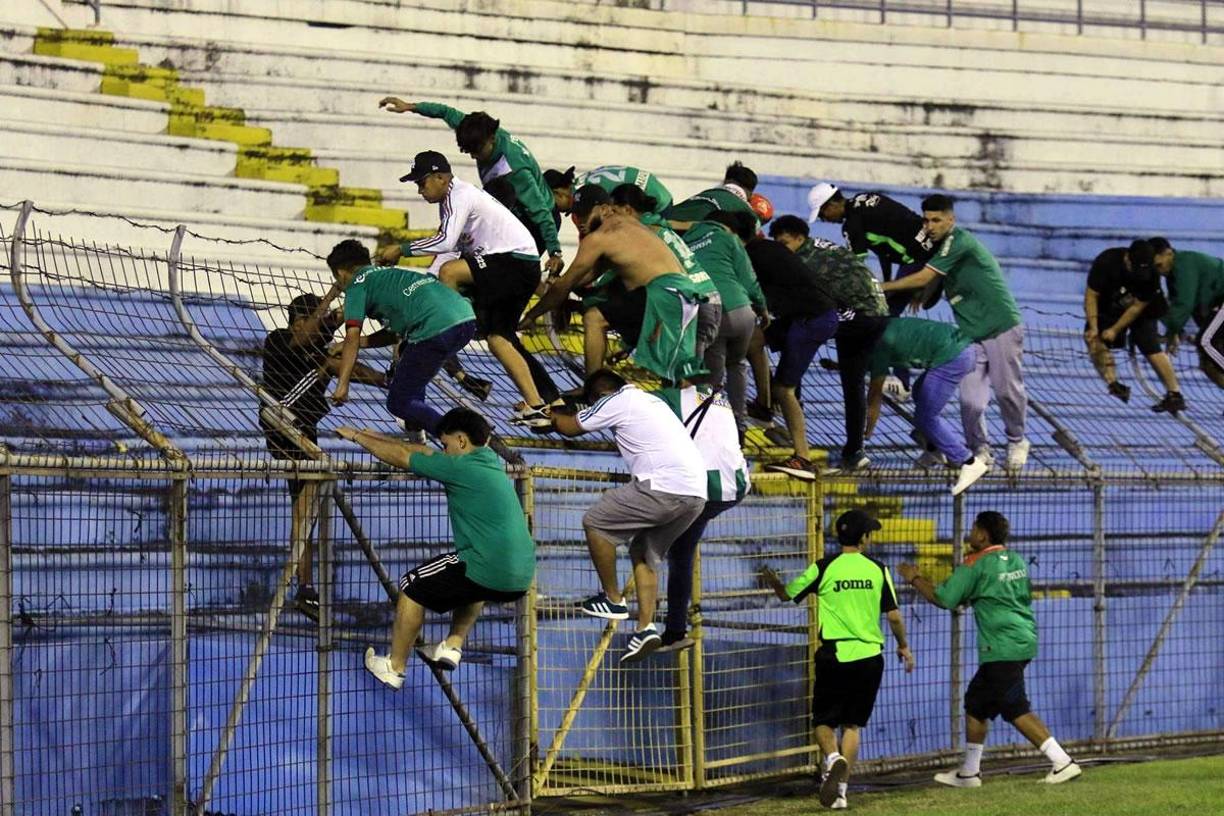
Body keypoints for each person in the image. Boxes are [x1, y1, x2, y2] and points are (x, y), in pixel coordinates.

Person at [341, 408, 535, 687]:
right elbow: (424, 452)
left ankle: (394, 667)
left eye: (445, 444)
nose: (442, 449)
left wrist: (359, 437)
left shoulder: (459, 468)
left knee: (412, 585)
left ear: (461, 441)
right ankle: (452, 645)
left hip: (487, 564)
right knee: (473, 582)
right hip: (519, 576)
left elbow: (406, 456)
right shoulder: (489, 460)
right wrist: (374, 434)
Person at [377, 150, 561, 429]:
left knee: (449, 273)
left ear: (440, 177)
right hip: (521, 267)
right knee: (498, 338)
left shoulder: (458, 195)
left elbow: (446, 243)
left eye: (422, 183)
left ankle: (447, 328)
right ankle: (536, 406)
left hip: (513, 261)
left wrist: (400, 250)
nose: (419, 191)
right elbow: (453, 248)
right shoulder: (453, 201)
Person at [898, 511, 1082, 787]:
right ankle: (969, 773)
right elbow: (1012, 594)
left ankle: (1062, 762)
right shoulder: (1016, 559)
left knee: (1014, 706)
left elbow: (944, 598)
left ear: (983, 534)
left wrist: (914, 578)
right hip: (1023, 638)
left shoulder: (975, 564)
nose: (969, 533)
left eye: (973, 529)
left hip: (1000, 645)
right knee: (976, 704)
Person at [760, 510, 915, 810]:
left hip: (835, 654)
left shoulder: (823, 567)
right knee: (852, 725)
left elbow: (786, 594)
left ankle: (832, 759)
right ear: (863, 537)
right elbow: (894, 616)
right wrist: (904, 646)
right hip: (870, 657)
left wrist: (773, 580)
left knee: (823, 722)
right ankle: (841, 792)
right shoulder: (878, 569)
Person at [550, 370, 706, 662]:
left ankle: (613, 599)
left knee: (595, 522)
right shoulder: (651, 401)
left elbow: (570, 427)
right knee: (643, 552)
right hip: (696, 495)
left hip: (663, 487)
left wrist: (548, 414)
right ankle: (646, 628)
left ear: (599, 396)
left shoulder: (618, 400)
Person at [879, 195, 1030, 473]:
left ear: (951, 219)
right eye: (926, 219)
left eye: (936, 220)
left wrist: (885, 287)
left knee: (1007, 390)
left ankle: (1017, 440)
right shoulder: (939, 248)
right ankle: (980, 450)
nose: (930, 225)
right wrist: (921, 293)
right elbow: (932, 278)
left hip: (1000, 325)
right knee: (971, 401)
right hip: (971, 333)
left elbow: (926, 276)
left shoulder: (958, 241)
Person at [262, 289, 387, 618]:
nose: (325, 327)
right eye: (319, 319)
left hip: (305, 431)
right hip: (282, 425)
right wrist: (333, 290)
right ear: (301, 320)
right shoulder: (278, 339)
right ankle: (303, 585)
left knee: (305, 510)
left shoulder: (320, 352)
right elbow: (306, 337)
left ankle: (304, 586)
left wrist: (387, 380)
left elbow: (349, 365)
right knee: (305, 506)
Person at [523, 188, 708, 385]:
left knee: (594, 318)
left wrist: (532, 316)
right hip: (681, 295)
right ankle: (702, 407)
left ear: (604, 209)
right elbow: (582, 280)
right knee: (674, 373)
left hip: (664, 293)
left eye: (586, 214)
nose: (581, 221)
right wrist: (564, 294)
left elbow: (566, 285)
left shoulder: (600, 237)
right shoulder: (630, 226)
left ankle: (593, 390)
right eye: (577, 215)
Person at [378, 97, 564, 276]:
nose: (474, 157)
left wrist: (555, 252)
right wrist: (410, 106)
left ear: (491, 139)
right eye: (469, 152)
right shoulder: (475, 130)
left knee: (509, 271)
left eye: (477, 151)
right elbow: (445, 112)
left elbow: (540, 211)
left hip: (536, 221)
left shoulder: (515, 169)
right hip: (510, 207)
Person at [768, 215, 889, 473]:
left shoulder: (803, 260)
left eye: (784, 242)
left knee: (788, 333)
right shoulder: (822, 246)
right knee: (853, 381)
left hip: (856, 312)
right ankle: (855, 451)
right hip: (876, 314)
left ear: (800, 238)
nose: (780, 248)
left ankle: (783, 407)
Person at [327, 240, 477, 437]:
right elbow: (394, 334)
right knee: (409, 368)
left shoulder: (356, 285)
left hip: (435, 330)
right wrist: (350, 344)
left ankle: (458, 437)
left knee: (398, 402)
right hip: (466, 321)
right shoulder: (389, 275)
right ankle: (419, 438)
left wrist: (342, 385)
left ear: (340, 273)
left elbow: (352, 336)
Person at [737, 218, 839, 478]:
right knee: (754, 339)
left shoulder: (752, 256)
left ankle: (802, 457)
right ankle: (764, 404)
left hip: (812, 319)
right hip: (806, 315)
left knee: (785, 389)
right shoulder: (767, 250)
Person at [655, 385, 751, 651]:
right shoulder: (722, 396)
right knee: (681, 552)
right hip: (735, 486)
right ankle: (674, 630)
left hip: (700, 489)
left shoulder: (667, 397)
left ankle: (654, 624)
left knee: (651, 546)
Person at [863, 318, 988, 496]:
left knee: (926, 416)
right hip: (959, 349)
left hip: (953, 356)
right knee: (919, 392)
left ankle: (968, 461)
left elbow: (874, 396)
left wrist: (867, 432)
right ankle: (933, 446)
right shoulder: (884, 328)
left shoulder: (879, 345)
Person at [682, 210, 769, 435]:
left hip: (710, 314)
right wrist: (762, 308)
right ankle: (739, 429)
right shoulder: (728, 238)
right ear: (727, 227)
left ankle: (713, 429)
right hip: (742, 312)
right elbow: (749, 280)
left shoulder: (682, 243)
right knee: (738, 364)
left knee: (712, 379)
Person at [1083, 240, 1183, 412]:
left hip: (1142, 306)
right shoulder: (1107, 261)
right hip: (1110, 302)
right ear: (1127, 258)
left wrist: (1115, 329)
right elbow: (1091, 295)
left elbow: (1137, 307)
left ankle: (1174, 394)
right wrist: (1094, 326)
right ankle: (1113, 383)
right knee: (1093, 337)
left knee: (1149, 344)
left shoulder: (1150, 275)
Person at [809, 184, 936, 301]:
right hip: (932, 243)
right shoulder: (865, 198)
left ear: (831, 205)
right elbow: (884, 249)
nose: (824, 219)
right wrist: (888, 281)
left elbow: (855, 266)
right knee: (890, 298)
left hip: (921, 259)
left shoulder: (852, 225)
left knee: (886, 308)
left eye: (822, 214)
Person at [1151, 237, 1224, 389]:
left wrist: (1173, 330)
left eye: (1159, 265)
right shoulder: (1172, 275)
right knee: (1207, 364)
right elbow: (1178, 307)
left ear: (1168, 253)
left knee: (1205, 342)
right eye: (1155, 268)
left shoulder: (1184, 265)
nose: (1159, 272)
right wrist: (1174, 332)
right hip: (1216, 304)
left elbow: (1184, 305)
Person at [663, 161, 760, 232]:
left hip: (663, 225)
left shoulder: (706, 193)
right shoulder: (748, 212)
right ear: (750, 193)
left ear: (726, 181)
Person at [546, 164, 673, 215]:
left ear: (559, 192)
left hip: (656, 205)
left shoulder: (585, 195)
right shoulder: (583, 183)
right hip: (659, 194)